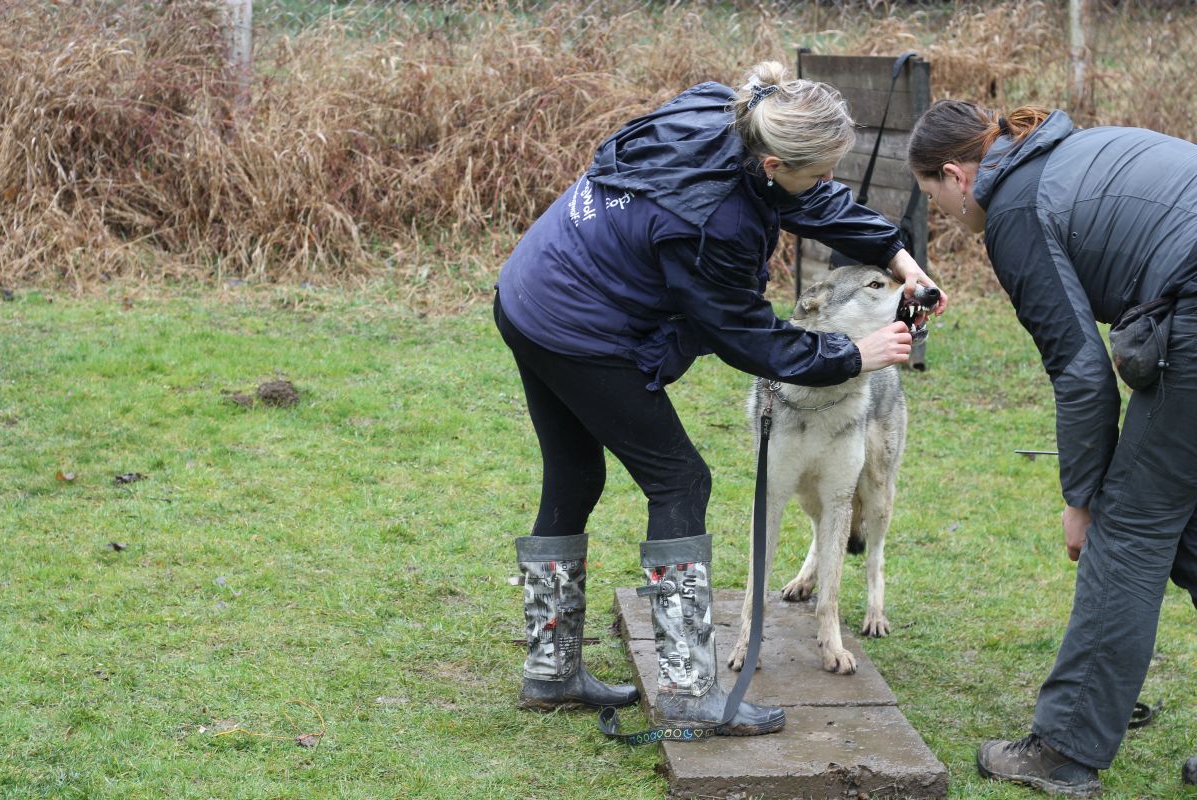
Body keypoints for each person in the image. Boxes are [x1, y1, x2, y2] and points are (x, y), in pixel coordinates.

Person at [495, 59, 946, 737]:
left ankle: (551, 673)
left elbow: (808, 199)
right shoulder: (715, 222)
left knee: (576, 471)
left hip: (529, 290)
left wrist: (896, 257)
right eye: (817, 170)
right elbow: (747, 337)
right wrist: (856, 355)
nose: (825, 185)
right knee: (680, 479)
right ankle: (684, 690)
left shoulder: (730, 112)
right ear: (770, 164)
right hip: (575, 326)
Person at [908, 99, 1197, 795]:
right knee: (1181, 524)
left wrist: (1082, 500)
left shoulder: (1015, 208)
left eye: (933, 199)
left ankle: (1064, 748)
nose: (945, 217)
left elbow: (1081, 371)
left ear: (956, 175)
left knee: (1126, 528)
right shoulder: (1069, 150)